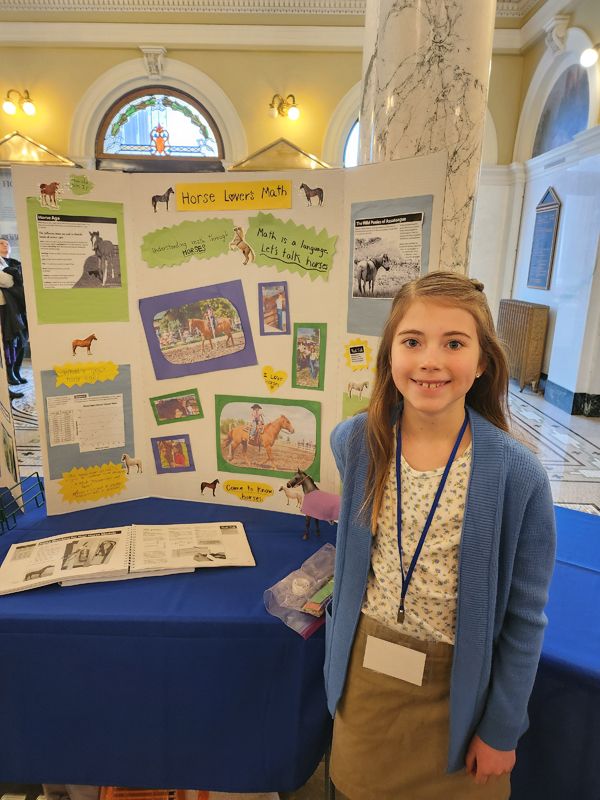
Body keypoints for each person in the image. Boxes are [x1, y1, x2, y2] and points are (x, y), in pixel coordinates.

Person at [325, 272, 556, 800]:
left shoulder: (518, 475)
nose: (430, 360)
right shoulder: (357, 443)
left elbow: (525, 618)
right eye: (412, 342)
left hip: (460, 692)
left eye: (454, 343)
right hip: (367, 685)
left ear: (481, 362)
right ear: (390, 356)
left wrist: (501, 729)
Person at [0, 238, 28, 399]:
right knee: (7, 342)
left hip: (14, 306)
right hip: (5, 307)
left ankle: (13, 374)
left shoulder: (12, 262)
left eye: (7, 243)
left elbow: (20, 280)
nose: (5, 245)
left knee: (17, 340)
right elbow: (6, 281)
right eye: (1, 243)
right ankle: (9, 378)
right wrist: (14, 277)